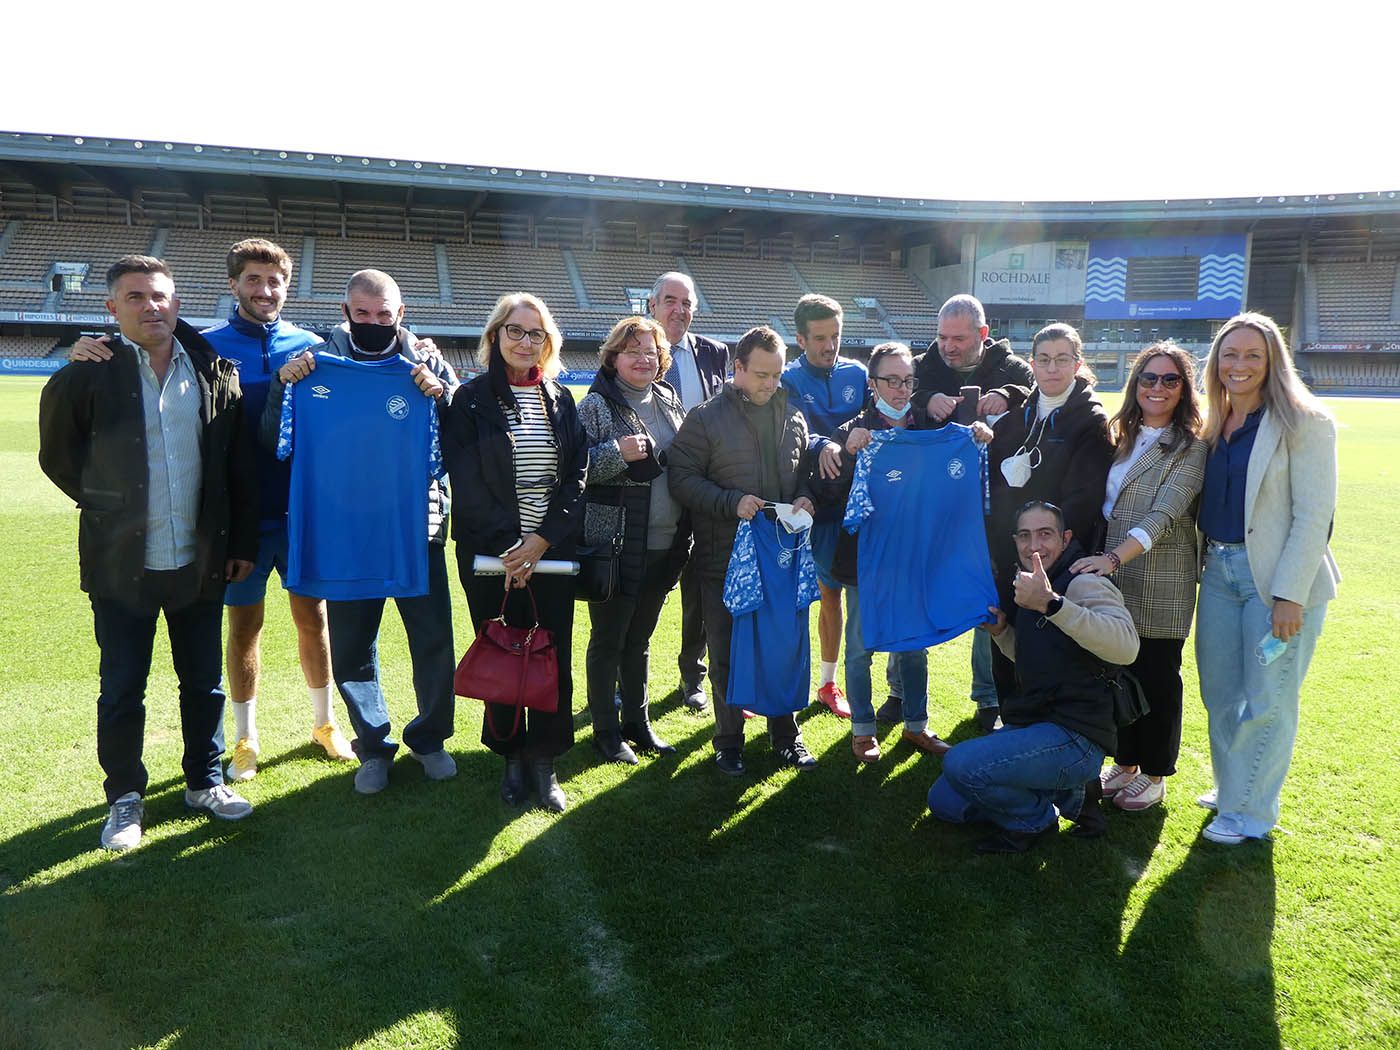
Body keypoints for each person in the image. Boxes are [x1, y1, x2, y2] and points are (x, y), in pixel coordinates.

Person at [64, 239, 352, 781]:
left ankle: (325, 722)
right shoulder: (205, 349)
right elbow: (132, 350)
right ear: (233, 285)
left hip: (303, 514)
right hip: (232, 524)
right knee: (244, 626)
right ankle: (245, 737)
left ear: (287, 286)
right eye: (252, 280)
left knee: (314, 619)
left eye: (274, 281)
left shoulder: (313, 345)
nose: (264, 291)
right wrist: (83, 347)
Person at [38, 255, 258, 850]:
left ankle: (203, 781)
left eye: (159, 296)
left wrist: (237, 543)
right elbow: (57, 458)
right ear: (112, 308)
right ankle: (126, 798)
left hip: (198, 560)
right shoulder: (87, 373)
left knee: (203, 683)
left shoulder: (215, 370)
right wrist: (109, 507)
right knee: (122, 687)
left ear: (177, 301)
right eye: (135, 297)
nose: (150, 306)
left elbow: (235, 468)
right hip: (121, 563)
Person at [264, 269, 459, 796]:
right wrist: (285, 386)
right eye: (363, 313)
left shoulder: (425, 361)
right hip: (342, 531)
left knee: (434, 638)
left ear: (401, 313)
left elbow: (459, 435)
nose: (374, 322)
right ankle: (373, 746)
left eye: (384, 314)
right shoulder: (312, 364)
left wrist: (437, 394)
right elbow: (273, 441)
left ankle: (431, 737)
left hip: (418, 527)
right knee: (352, 645)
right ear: (347, 311)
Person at [1193, 313, 1339, 845]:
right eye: (1230, 354)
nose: (1240, 365)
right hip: (1218, 574)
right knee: (1221, 693)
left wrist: (1288, 596)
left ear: (1273, 360)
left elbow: (1313, 516)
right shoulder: (1214, 421)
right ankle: (1232, 788)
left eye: (1253, 355)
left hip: (1276, 583)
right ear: (1216, 362)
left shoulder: (1305, 422)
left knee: (1269, 698)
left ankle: (1249, 812)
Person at [442, 292, 587, 813]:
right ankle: (508, 756)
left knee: (552, 655)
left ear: (549, 343)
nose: (526, 342)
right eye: (515, 331)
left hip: (551, 552)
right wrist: (512, 549)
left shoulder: (561, 398)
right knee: (501, 651)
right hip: (490, 555)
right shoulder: (471, 399)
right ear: (495, 336)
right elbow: (468, 479)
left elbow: (576, 478)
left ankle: (544, 761)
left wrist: (541, 541)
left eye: (536, 334)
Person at [927, 501, 1139, 853]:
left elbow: (1126, 647)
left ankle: (1033, 820)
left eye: (1045, 534)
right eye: (1024, 536)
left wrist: (1052, 604)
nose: (1034, 545)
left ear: (1065, 537)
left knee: (960, 763)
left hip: (1077, 737)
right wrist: (1001, 633)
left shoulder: (1082, 582)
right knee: (945, 802)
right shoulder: (1031, 584)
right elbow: (1036, 659)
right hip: (1038, 725)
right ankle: (1071, 795)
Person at [669, 325, 819, 775]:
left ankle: (785, 735)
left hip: (781, 561)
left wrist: (806, 496)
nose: (770, 384)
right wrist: (731, 503)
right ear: (737, 368)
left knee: (781, 648)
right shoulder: (704, 418)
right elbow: (682, 480)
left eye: (776, 375)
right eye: (760, 375)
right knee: (727, 654)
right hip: (722, 559)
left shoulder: (793, 416)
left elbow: (803, 473)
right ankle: (728, 739)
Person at [1071, 343, 1207, 812]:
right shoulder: (1121, 436)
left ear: (1184, 388)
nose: (1158, 387)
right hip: (1113, 575)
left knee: (1157, 677)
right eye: (1149, 378)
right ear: (1135, 385)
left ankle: (1154, 773)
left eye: (1170, 379)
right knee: (1118, 671)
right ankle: (1125, 763)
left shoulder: (1191, 446)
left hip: (1160, 579)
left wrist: (1111, 561)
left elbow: (1164, 515)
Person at [812, 342, 963, 760]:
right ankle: (863, 729)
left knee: (914, 644)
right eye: (891, 380)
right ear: (873, 383)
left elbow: (951, 482)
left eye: (907, 380)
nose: (900, 389)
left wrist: (976, 438)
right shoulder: (851, 431)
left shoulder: (929, 432)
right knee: (861, 645)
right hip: (865, 559)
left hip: (913, 558)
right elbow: (826, 494)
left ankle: (917, 725)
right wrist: (845, 452)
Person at [912, 294, 1034, 732]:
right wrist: (926, 400)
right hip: (937, 508)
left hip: (993, 509)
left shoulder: (1011, 367)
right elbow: (901, 396)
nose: (948, 346)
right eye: (942, 337)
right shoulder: (925, 365)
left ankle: (989, 698)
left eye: (958, 338)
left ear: (983, 335)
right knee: (921, 594)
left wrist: (1009, 393)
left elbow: (1038, 391)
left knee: (991, 596)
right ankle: (902, 694)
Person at [577, 316, 688, 764]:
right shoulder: (596, 406)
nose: (643, 358)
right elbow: (574, 469)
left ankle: (638, 724)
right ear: (613, 357)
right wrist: (613, 454)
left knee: (639, 640)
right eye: (632, 350)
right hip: (615, 543)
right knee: (608, 639)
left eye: (651, 351)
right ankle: (605, 731)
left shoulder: (667, 397)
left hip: (668, 539)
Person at [985, 322, 1114, 706]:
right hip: (1012, 556)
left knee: (1049, 643)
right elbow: (991, 486)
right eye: (1044, 360)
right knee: (1006, 638)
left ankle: (1051, 732)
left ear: (1077, 364)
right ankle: (1011, 720)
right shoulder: (1016, 417)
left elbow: (1083, 499)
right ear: (1033, 364)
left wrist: (1038, 541)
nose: (1052, 368)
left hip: (1058, 561)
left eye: (1061, 360)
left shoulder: (1090, 421)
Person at [780, 293, 867, 719]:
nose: (829, 345)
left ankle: (836, 683)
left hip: (861, 504)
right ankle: (802, 683)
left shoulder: (859, 373)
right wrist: (823, 445)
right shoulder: (790, 379)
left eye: (835, 336)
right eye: (819, 338)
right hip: (811, 503)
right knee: (814, 596)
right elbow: (795, 432)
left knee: (851, 598)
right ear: (800, 338)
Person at [649, 271, 729, 713]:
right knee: (648, 590)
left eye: (687, 303)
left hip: (704, 493)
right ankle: (626, 677)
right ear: (652, 305)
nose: (679, 310)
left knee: (700, 591)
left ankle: (691, 675)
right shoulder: (636, 350)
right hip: (654, 492)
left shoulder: (714, 353)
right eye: (670, 301)